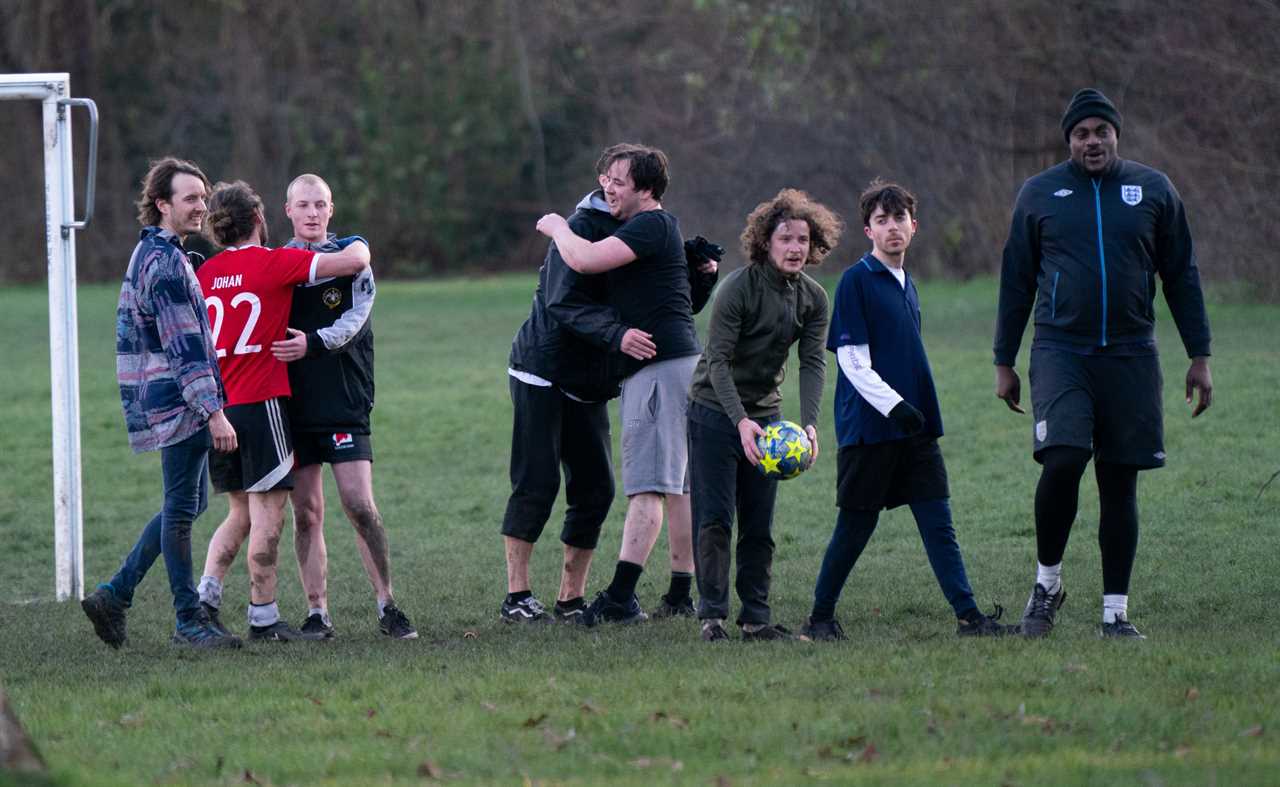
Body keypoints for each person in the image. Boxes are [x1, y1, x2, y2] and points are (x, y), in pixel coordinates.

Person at [994, 88, 1213, 639]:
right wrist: (1004, 359)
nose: (1092, 141)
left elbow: (1182, 274)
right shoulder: (1040, 193)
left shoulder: (1154, 189)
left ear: (1117, 134)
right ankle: (1047, 584)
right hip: (1060, 349)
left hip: (1132, 353)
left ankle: (1115, 613)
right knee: (1063, 458)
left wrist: (1199, 354)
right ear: (1069, 140)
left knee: (1120, 481)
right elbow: (1016, 279)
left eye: (1101, 131)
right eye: (1081, 134)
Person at [196, 175, 416, 640]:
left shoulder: (347, 252)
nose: (312, 213)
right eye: (303, 205)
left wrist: (313, 342)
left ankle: (387, 603)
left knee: (359, 504)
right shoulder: (279, 263)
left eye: (320, 204)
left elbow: (357, 312)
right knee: (307, 513)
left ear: (331, 209)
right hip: (287, 409)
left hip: (344, 401)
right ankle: (317, 612)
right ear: (285, 212)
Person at [802, 179, 1012, 642]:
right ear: (868, 231)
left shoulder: (908, 284)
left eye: (899, 219)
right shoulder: (857, 280)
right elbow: (852, 360)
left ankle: (969, 617)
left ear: (913, 227)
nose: (892, 227)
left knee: (939, 521)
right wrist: (895, 407)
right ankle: (819, 619)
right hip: (870, 430)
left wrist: (909, 413)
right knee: (855, 526)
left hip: (914, 429)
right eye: (882, 220)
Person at [536, 144, 714, 626]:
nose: (607, 187)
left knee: (649, 487)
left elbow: (587, 260)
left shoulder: (652, 224)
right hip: (677, 363)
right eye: (605, 177)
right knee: (677, 484)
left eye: (619, 180)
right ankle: (680, 592)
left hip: (658, 366)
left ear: (647, 190)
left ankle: (619, 596)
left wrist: (557, 226)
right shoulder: (656, 227)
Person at [80, 157, 241, 649]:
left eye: (203, 196)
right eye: (190, 198)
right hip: (179, 400)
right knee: (179, 508)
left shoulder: (155, 252)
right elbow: (184, 344)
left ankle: (115, 595)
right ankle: (187, 621)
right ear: (162, 204)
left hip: (169, 397)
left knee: (189, 503)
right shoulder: (166, 264)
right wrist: (213, 410)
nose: (201, 207)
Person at [687, 189, 836, 642]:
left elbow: (813, 363)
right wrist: (739, 422)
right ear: (765, 242)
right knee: (715, 520)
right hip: (714, 412)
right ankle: (712, 617)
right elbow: (717, 361)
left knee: (759, 525)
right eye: (786, 238)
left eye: (803, 240)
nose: (795, 248)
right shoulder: (737, 288)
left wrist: (809, 423)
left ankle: (756, 618)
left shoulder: (814, 299)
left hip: (768, 420)